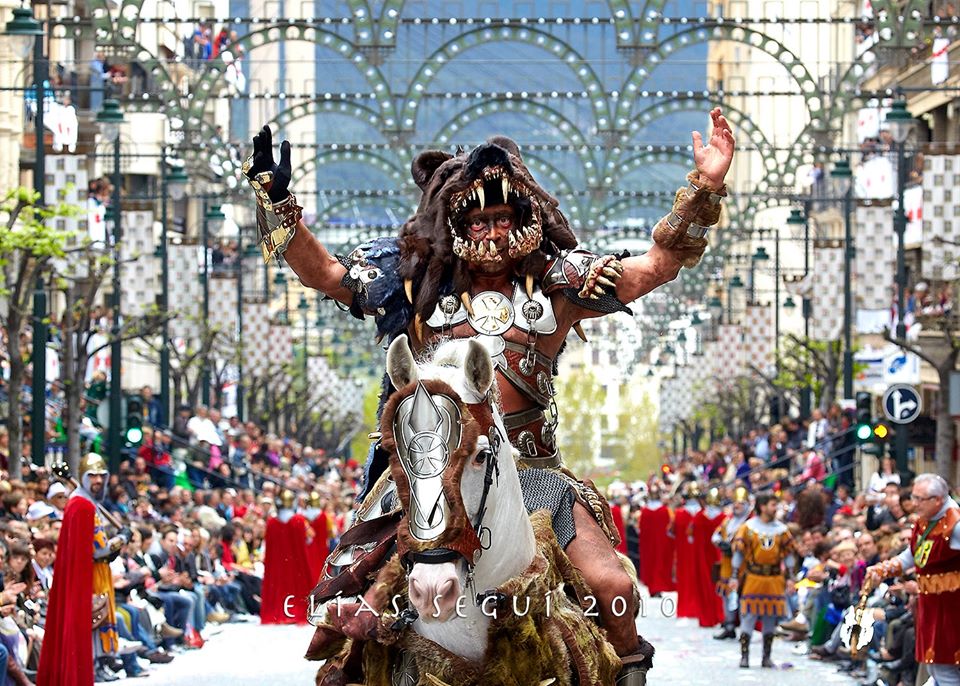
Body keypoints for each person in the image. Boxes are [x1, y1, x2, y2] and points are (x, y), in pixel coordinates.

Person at [244, 107, 733, 684]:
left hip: (533, 475)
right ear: (455, 225)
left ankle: (626, 670)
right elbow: (325, 273)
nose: (493, 232)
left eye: (504, 217)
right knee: (346, 609)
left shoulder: (560, 281)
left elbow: (656, 266)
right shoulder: (413, 284)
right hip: (429, 474)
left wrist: (706, 184)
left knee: (614, 588)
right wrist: (277, 204)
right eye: (478, 221)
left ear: (526, 217)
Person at [37, 453, 132, 684]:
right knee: (93, 619)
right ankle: (93, 667)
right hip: (90, 573)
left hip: (95, 570)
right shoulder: (82, 506)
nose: (98, 480)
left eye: (102, 476)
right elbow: (98, 549)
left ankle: (96, 666)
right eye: (93, 476)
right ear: (83, 477)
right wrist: (120, 539)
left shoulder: (85, 503)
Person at [866, 474, 960, 686]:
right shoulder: (925, 523)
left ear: (937, 500)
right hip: (933, 607)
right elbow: (911, 556)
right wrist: (884, 569)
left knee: (946, 669)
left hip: (953, 610)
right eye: (914, 497)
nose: (914, 503)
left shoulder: (955, 525)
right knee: (938, 667)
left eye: (920, 499)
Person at [730, 492, 796, 669]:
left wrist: (790, 578)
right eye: (773, 505)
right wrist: (734, 576)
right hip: (754, 578)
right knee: (749, 616)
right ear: (763, 506)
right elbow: (738, 553)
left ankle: (766, 657)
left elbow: (789, 556)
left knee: (770, 617)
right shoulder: (748, 528)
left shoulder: (782, 530)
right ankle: (744, 656)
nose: (776, 508)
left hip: (774, 579)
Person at [260, 490, 314, 624]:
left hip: (277, 564)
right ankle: (295, 610)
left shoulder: (271, 522)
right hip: (296, 563)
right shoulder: (299, 521)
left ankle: (280, 610)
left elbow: (269, 546)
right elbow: (309, 539)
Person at [712, 486, 751, 640]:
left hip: (744, 564)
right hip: (727, 563)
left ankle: (744, 628)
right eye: (735, 503)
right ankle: (729, 626)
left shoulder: (750, 523)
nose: (737, 506)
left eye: (740, 503)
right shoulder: (728, 521)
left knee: (743, 595)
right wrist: (720, 543)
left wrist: (735, 546)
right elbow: (715, 535)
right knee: (727, 594)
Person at [694, 487, 726, 628]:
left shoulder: (699, 517)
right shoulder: (724, 518)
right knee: (720, 582)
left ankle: (709, 616)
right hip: (719, 557)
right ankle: (722, 615)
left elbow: (691, 536)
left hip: (703, 557)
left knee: (707, 583)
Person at [638, 484, 674, 597]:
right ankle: (658, 586)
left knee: (651, 562)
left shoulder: (644, 512)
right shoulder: (665, 511)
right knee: (660, 562)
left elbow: (641, 530)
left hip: (649, 545)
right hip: (662, 544)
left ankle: (653, 587)